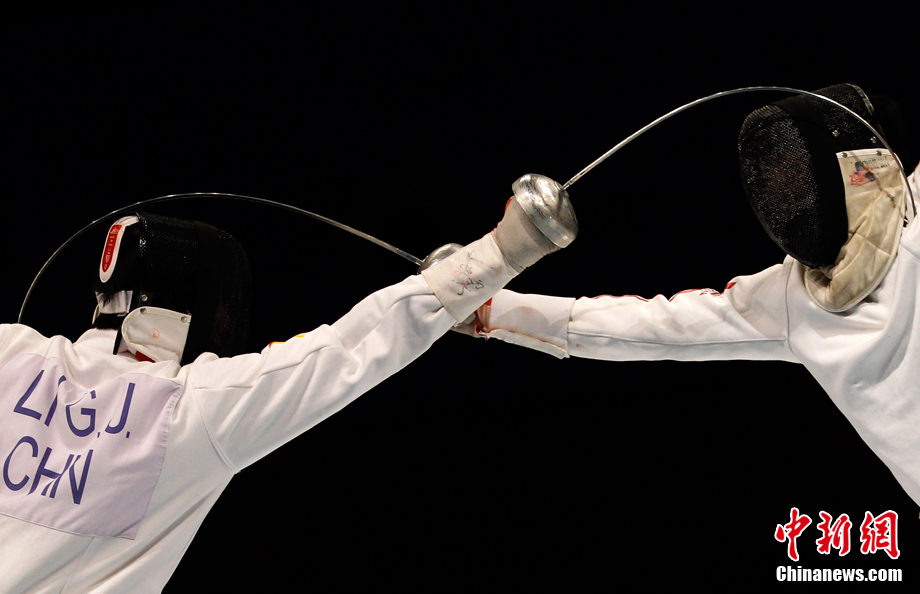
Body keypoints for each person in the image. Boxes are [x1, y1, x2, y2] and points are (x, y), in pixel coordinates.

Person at [0, 174, 577, 593]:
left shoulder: (9, 353)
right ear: (189, 308)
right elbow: (351, 348)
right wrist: (505, 250)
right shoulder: (189, 410)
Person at [461, 84, 920, 511]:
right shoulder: (795, 297)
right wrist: (486, 307)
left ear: (867, 169)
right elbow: (652, 327)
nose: (790, 194)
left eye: (801, 176)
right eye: (781, 181)